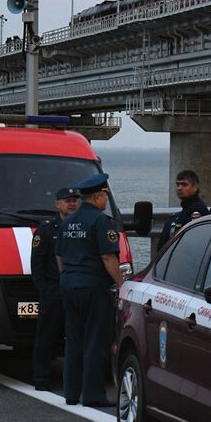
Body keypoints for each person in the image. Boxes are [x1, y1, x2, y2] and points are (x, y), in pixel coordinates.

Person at [57, 172, 124, 407]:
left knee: (73, 339)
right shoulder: (101, 222)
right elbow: (107, 256)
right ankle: (93, 394)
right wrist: (121, 285)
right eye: (104, 196)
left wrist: (68, 277)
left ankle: (71, 393)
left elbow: (60, 257)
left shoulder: (67, 222)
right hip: (93, 287)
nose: (105, 201)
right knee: (96, 340)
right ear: (97, 197)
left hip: (69, 284)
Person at [30, 186, 78, 390]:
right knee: (46, 336)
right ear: (57, 204)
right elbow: (37, 263)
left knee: (76, 336)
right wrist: (44, 290)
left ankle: (74, 379)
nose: (72, 203)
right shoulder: (47, 230)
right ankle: (41, 377)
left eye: (75, 200)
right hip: (53, 290)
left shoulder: (82, 227)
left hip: (75, 290)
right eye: (67, 200)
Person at [161, 169, 209, 243]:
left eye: (184, 185)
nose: (179, 188)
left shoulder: (197, 210)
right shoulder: (186, 209)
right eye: (178, 184)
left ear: (195, 187)